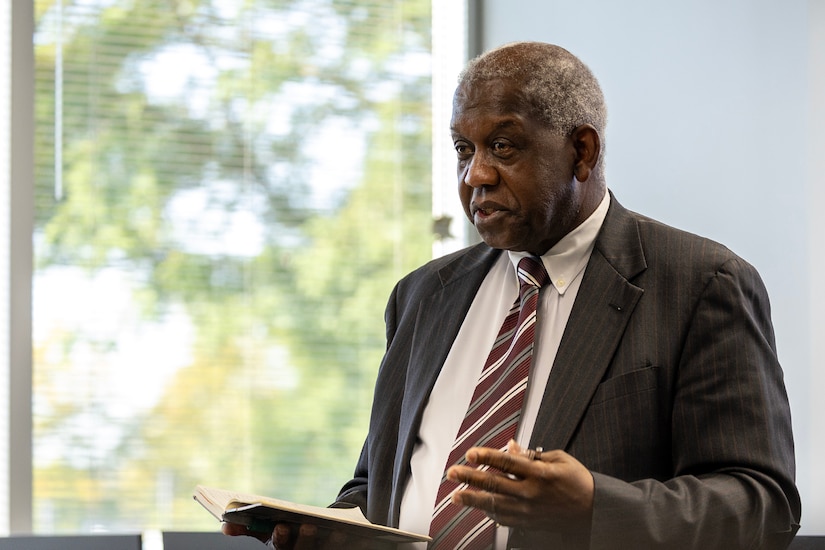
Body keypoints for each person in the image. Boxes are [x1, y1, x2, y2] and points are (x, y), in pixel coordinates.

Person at [225, 41, 801, 549]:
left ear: (582, 151)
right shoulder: (421, 296)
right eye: (461, 149)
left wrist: (595, 506)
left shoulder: (700, 283)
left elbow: (761, 506)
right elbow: (379, 485)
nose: (475, 175)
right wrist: (326, 531)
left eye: (502, 147)